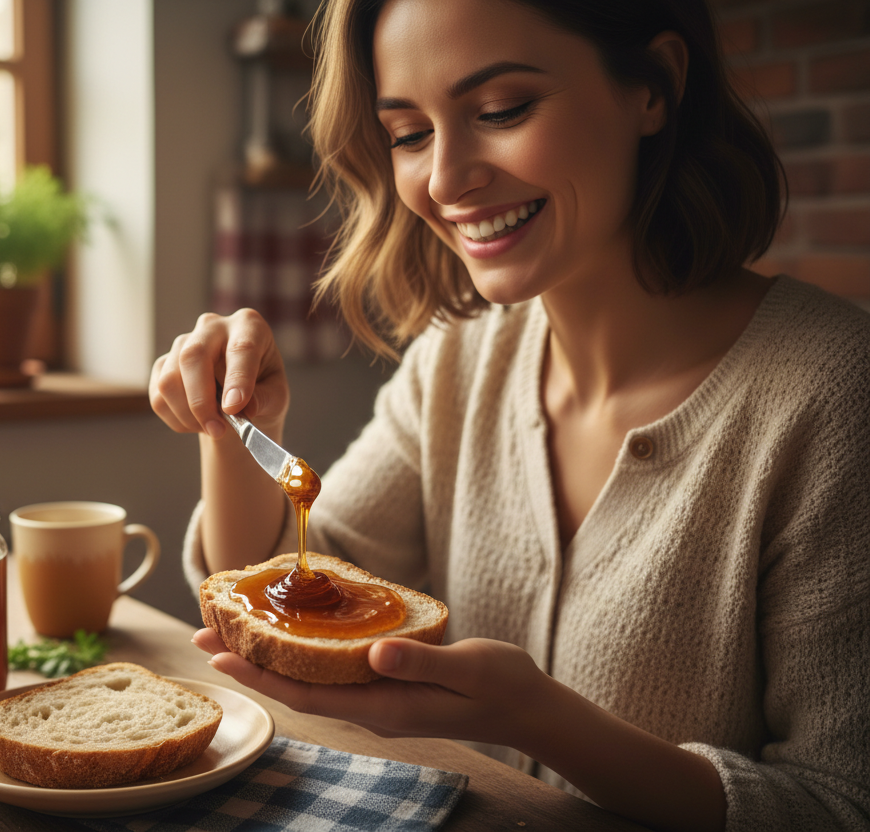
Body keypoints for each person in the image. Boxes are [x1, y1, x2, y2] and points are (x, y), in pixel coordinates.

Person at [149, 1, 870, 830]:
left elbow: (839, 804)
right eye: (410, 133)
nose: (447, 179)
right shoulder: (456, 363)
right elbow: (290, 591)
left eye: (501, 112)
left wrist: (535, 720)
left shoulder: (835, 393)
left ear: (655, 86)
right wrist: (234, 425)